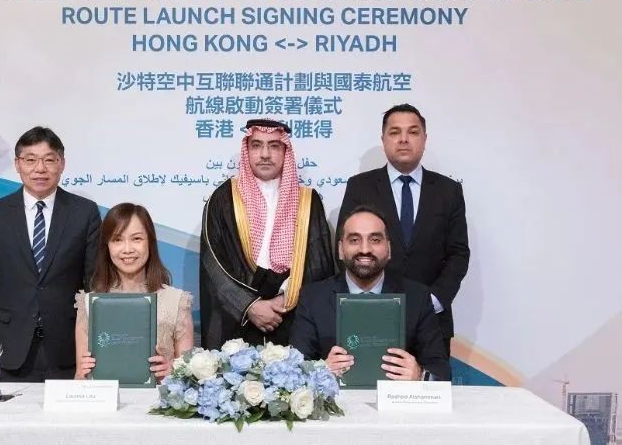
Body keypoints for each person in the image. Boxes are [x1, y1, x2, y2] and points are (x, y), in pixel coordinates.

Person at [338, 104, 468, 378]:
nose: (404, 139)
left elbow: (458, 253)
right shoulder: (360, 186)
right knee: (368, 392)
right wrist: (370, 301)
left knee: (429, 390)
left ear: (425, 138)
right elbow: (347, 247)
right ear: (383, 139)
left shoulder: (448, 190)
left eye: (413, 132)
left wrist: (433, 300)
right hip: (373, 316)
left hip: (432, 320)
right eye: (395, 132)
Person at [0, 126, 100, 382]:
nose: (40, 168)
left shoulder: (84, 213)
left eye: (49, 159)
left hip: (69, 348)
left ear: (61, 164)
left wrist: (93, 346)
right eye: (30, 160)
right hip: (9, 347)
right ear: (17, 164)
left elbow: (94, 283)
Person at [199, 119, 334, 349]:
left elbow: (318, 263)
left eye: (274, 146)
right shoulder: (223, 198)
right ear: (247, 150)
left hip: (291, 313)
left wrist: (285, 299)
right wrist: (249, 305)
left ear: (285, 151)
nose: (265, 154)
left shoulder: (307, 201)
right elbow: (213, 263)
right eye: (256, 145)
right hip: (238, 315)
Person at [291, 207, 451, 382]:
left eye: (375, 240)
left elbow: (441, 370)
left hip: (396, 399)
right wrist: (322, 371)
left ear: (388, 249)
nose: (365, 249)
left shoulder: (417, 297)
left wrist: (419, 375)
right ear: (340, 249)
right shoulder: (313, 298)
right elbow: (296, 367)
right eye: (354, 240)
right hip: (338, 399)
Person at [73, 203, 194, 380]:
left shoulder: (176, 301)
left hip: (157, 397)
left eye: (136, 239)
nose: (127, 249)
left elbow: (189, 377)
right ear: (107, 246)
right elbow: (80, 379)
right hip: (104, 397)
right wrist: (82, 372)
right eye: (117, 240)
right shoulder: (89, 303)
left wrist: (174, 371)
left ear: (150, 242)